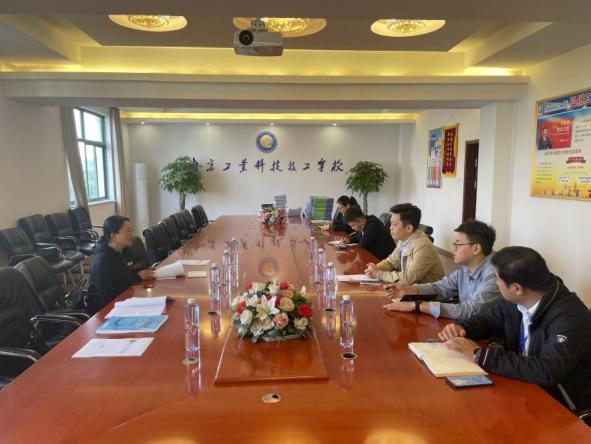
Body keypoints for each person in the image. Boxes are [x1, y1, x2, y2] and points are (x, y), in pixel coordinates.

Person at [439, 246, 591, 416]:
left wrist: (479, 355)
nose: (496, 284)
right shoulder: (521, 298)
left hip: (562, 407)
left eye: (497, 279)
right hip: (522, 387)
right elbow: (487, 320)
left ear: (517, 288)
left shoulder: (570, 316)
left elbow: (548, 370)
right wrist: (462, 327)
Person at [383, 219, 500, 320]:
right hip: (466, 326)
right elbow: (441, 288)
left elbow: (469, 311)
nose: (453, 249)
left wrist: (417, 305)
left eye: (458, 244)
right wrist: (409, 289)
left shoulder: (494, 274)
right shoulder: (465, 268)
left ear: (476, 248)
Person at [87, 216, 155, 314]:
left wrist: (142, 272)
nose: (131, 235)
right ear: (113, 236)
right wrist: (137, 277)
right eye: (127, 231)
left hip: (121, 302)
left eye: (131, 230)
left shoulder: (121, 251)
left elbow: (123, 275)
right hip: (104, 311)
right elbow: (108, 295)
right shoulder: (102, 261)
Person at [364, 203, 444, 284]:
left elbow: (409, 278)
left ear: (408, 228)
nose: (390, 228)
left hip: (428, 291)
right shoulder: (403, 240)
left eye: (394, 224)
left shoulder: (423, 246)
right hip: (410, 288)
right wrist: (375, 268)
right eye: (391, 223)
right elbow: (390, 262)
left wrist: (379, 274)